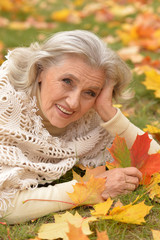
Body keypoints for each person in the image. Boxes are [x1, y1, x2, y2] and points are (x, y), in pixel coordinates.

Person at [0, 30, 159, 224]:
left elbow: (155, 159)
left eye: (90, 92)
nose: (74, 103)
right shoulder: (7, 104)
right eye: (67, 81)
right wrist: (91, 189)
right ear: (40, 71)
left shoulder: (90, 118)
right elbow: (5, 206)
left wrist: (109, 113)